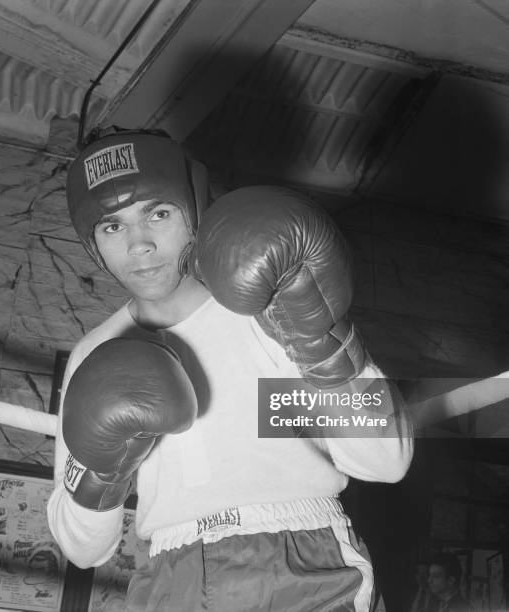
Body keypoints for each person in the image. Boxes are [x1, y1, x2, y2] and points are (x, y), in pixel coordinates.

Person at [47, 129, 414, 611]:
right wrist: (100, 469)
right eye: (112, 226)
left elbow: (385, 461)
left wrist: (317, 338)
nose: (139, 244)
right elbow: (82, 548)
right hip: (166, 580)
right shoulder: (95, 352)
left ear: (193, 210)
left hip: (302, 564)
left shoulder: (263, 310)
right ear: (93, 243)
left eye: (158, 213)